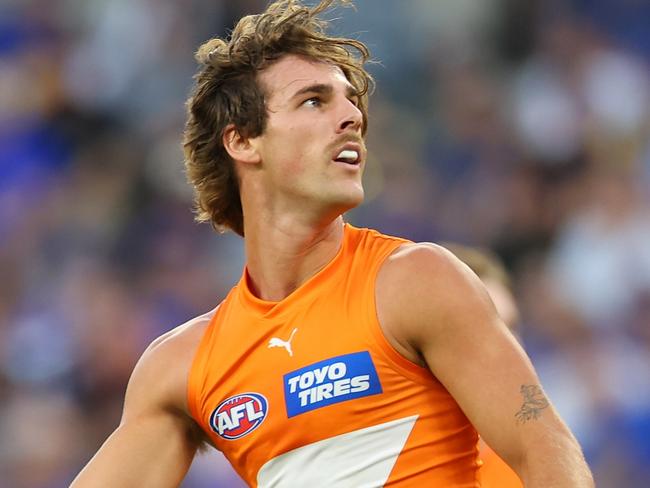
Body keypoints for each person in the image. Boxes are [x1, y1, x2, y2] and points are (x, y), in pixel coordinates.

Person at [71, 1, 594, 486]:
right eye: (314, 100)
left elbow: (543, 445)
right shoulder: (182, 367)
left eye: (351, 102)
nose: (353, 118)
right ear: (242, 140)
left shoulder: (415, 281)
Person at [443, 243, 524, 488]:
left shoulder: (535, 462)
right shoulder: (384, 460)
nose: (513, 349)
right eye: (488, 329)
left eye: (512, 328)